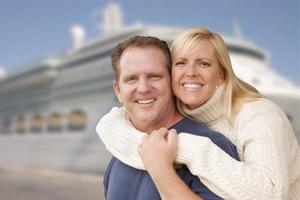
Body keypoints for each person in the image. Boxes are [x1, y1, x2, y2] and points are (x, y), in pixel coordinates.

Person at [97, 28, 300, 200]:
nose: (190, 72)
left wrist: (176, 155)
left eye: (154, 76)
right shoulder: (123, 146)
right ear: (117, 90)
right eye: (181, 63)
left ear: (221, 75)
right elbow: (115, 121)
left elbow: (272, 194)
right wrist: (111, 129)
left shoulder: (252, 120)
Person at [100, 35, 240, 200]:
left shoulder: (212, 145)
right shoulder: (122, 151)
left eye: (154, 76)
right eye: (132, 79)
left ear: (171, 81)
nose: (143, 88)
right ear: (118, 90)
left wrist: (162, 170)